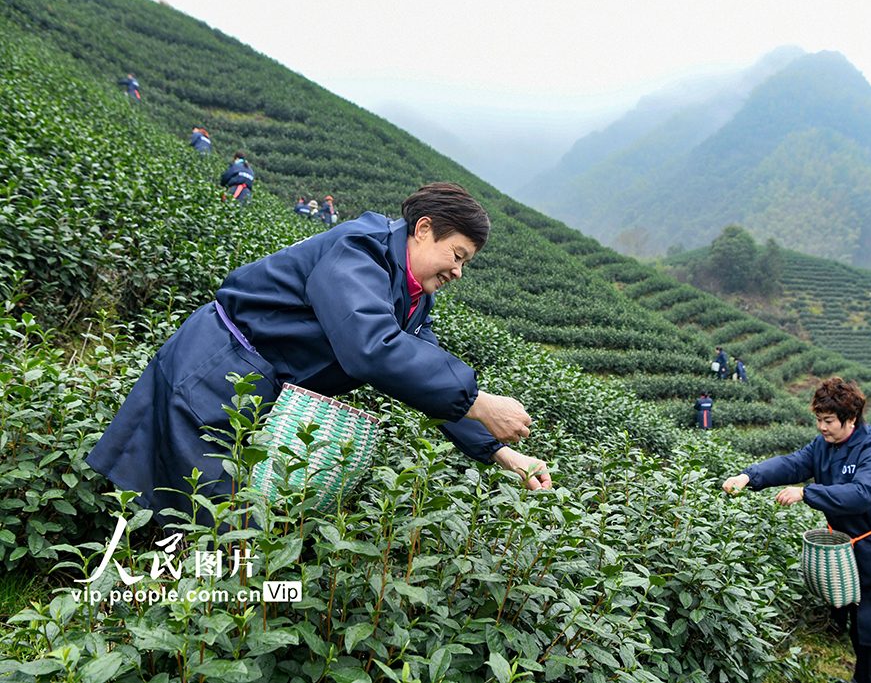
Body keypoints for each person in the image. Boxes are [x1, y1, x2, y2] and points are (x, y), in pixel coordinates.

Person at [86, 182, 551, 529]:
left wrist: (501, 452)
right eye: (457, 254)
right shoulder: (359, 250)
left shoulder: (412, 296)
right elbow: (371, 348)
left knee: (205, 511)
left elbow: (421, 374)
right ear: (423, 230)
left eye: (466, 262)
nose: (458, 271)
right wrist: (481, 402)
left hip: (257, 383)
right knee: (218, 522)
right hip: (218, 367)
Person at [721, 377, 871, 683]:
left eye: (829, 421)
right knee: (866, 635)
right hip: (859, 554)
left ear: (851, 419)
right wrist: (748, 477)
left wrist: (807, 493)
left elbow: (862, 494)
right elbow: (793, 464)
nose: (822, 427)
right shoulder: (825, 445)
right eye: (819, 420)